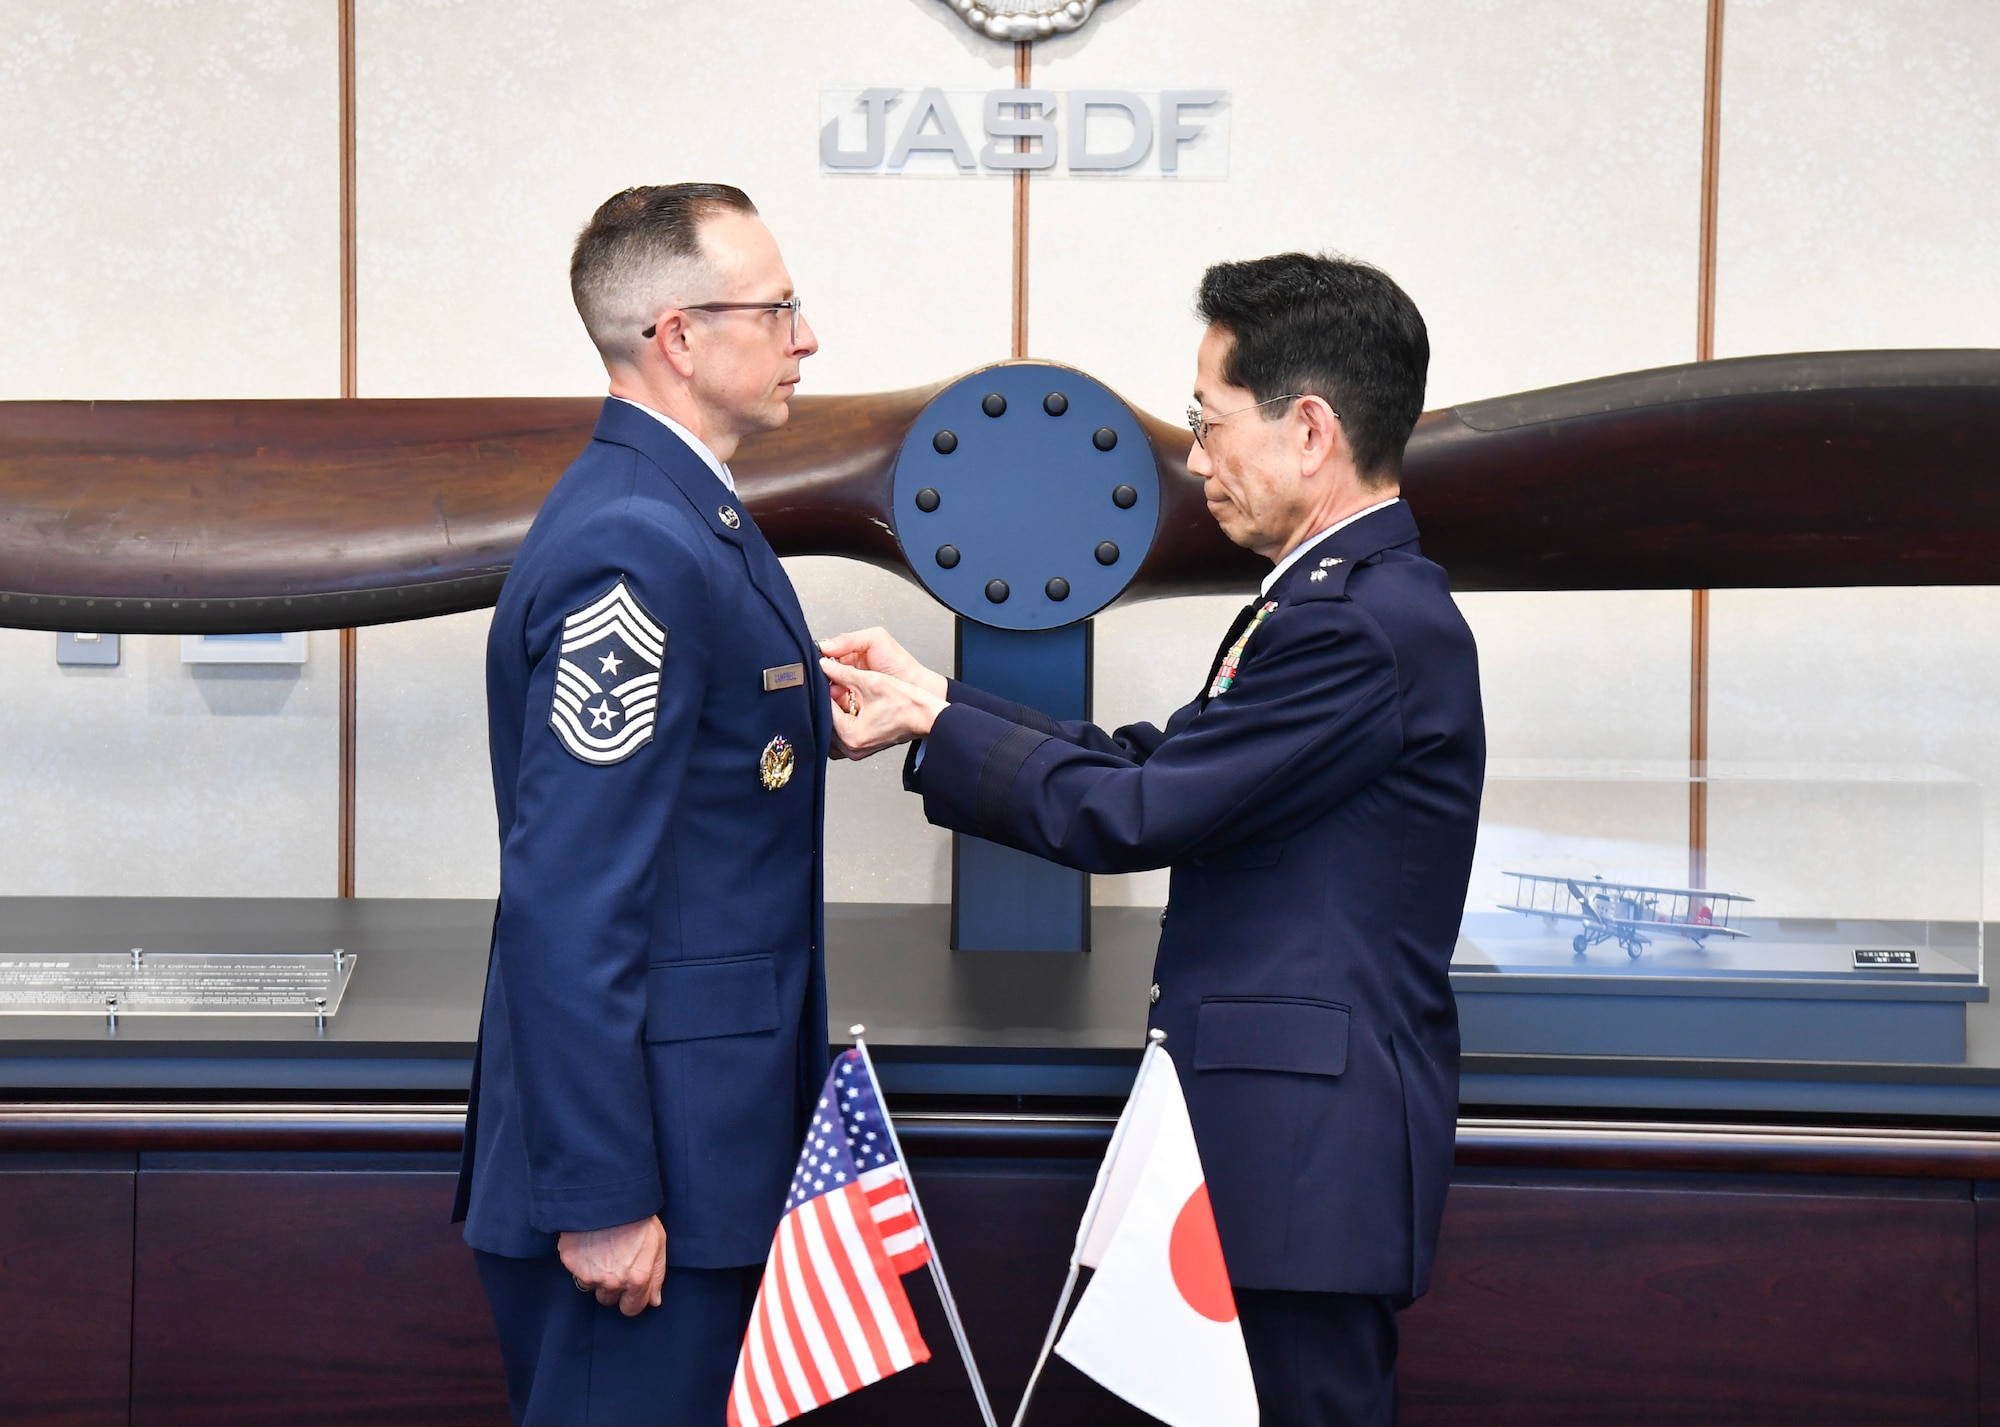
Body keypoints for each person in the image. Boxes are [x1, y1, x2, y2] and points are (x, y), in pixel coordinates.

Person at [821, 253, 1485, 1427]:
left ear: (1310, 429)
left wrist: (935, 723)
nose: (1191, 458)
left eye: (1207, 421)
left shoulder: (1361, 625)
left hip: (1300, 1166)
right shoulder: (1330, 601)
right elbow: (1159, 761)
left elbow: (1141, 811)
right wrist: (942, 702)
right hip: (1279, 1156)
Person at [455, 183, 830, 1427]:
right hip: (643, 1178)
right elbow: (570, 893)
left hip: (700, 1145)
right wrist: (605, 1192)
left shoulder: (682, 511)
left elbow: (696, 778)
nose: (805, 338)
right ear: (677, 335)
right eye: (777, 308)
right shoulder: (636, 540)